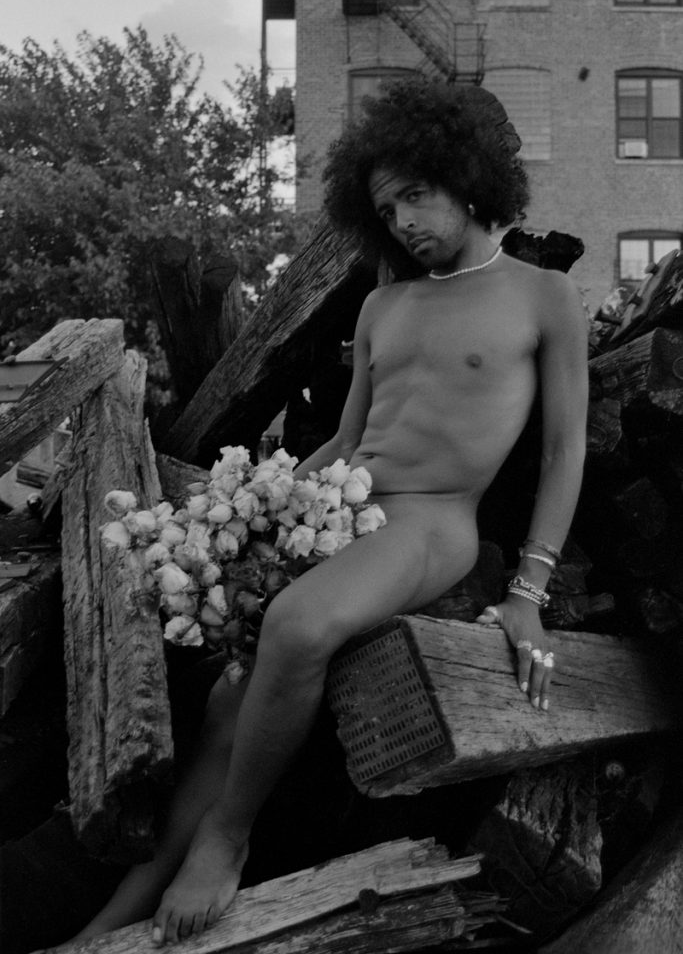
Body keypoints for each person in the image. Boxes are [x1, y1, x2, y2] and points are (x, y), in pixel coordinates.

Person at [65, 78, 589, 947]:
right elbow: (349, 437)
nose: (403, 222)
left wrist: (528, 590)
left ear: (468, 180)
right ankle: (112, 919)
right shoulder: (386, 303)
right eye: (385, 209)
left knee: (300, 627)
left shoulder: (541, 297)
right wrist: (245, 509)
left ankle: (228, 841)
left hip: (432, 521)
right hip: (342, 511)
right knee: (232, 701)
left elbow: (567, 449)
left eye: (416, 195)